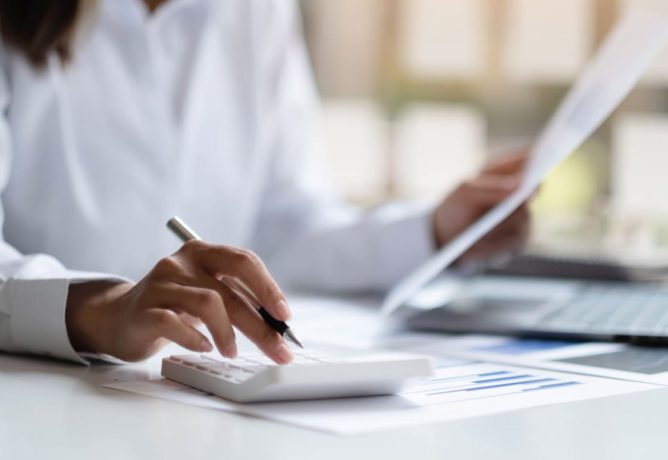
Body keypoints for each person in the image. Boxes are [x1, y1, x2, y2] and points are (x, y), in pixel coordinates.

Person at [0, 0, 529, 366]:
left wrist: (435, 232)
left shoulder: (257, 10)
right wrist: (104, 309)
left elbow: (285, 227)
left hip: (182, 403)